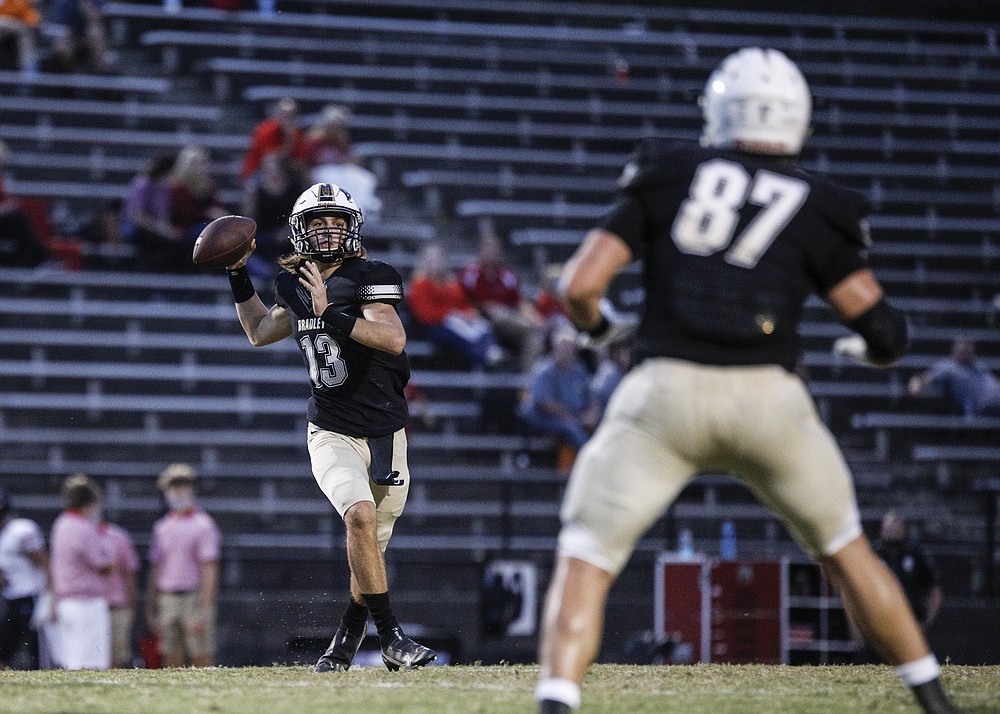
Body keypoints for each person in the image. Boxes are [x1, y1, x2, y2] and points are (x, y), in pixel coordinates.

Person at [535, 48, 961, 714]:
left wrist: (595, 329)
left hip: (665, 392)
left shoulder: (668, 171)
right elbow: (882, 327)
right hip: (771, 399)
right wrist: (873, 354)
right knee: (848, 549)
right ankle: (934, 699)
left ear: (718, 111)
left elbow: (581, 285)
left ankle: (557, 700)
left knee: (586, 556)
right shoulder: (820, 201)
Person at [223, 182, 437, 673]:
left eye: (335, 223)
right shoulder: (294, 284)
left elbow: (392, 338)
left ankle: (344, 641)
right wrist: (237, 274)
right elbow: (260, 331)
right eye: (316, 223)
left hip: (387, 433)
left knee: (370, 552)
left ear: (352, 229)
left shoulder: (372, 276)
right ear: (299, 230)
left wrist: (329, 315)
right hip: (331, 429)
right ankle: (394, 639)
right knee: (358, 518)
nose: (325, 231)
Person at [146, 463, 221, 668]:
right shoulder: (162, 526)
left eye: (182, 486)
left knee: (201, 653)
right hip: (168, 597)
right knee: (170, 655)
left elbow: (210, 568)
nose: (177, 492)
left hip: (193, 595)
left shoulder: (203, 524)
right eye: (173, 487)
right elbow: (156, 567)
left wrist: (204, 609)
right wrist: (152, 606)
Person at [460, 224, 545, 372]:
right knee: (500, 315)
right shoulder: (470, 273)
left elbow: (518, 301)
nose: (491, 253)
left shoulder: (507, 274)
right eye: (488, 250)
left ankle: (527, 383)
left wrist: (532, 317)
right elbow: (462, 298)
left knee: (534, 339)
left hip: (508, 319)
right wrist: (486, 308)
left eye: (494, 250)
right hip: (479, 318)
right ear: (480, 252)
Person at [49, 474, 113, 670]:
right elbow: (103, 564)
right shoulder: (84, 527)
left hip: (65, 601)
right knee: (91, 662)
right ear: (90, 503)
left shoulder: (60, 524)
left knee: (71, 657)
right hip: (86, 603)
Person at [407, 242, 505, 369]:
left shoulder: (452, 283)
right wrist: (450, 314)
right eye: (432, 260)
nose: (436, 263)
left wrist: (469, 313)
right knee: (457, 327)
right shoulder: (420, 284)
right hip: (433, 326)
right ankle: (482, 356)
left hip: (454, 319)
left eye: (438, 259)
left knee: (480, 323)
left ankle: (493, 348)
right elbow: (424, 314)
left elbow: (463, 304)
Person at [519, 324, 600, 454]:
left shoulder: (579, 369)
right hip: (544, 417)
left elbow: (591, 397)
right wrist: (576, 418)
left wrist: (591, 414)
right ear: (555, 347)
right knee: (572, 428)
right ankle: (591, 459)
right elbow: (545, 404)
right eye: (563, 347)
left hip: (574, 416)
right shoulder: (543, 369)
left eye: (570, 347)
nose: (566, 350)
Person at [0, 485, 48, 669]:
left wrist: (50, 594)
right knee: (5, 648)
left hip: (32, 597)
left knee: (36, 651)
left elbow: (44, 562)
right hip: (11, 600)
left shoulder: (20, 530)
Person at [875, 512, 943, 633]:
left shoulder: (916, 555)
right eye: (889, 528)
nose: (892, 532)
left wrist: (927, 621)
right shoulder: (872, 556)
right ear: (881, 530)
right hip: (878, 623)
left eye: (896, 528)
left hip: (911, 623)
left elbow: (935, 590)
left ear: (904, 530)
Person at [906, 335, 1000, 417]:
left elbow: (992, 381)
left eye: (968, 345)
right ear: (954, 349)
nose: (966, 348)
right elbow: (923, 379)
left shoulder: (978, 364)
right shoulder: (947, 367)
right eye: (962, 345)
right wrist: (915, 384)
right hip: (983, 407)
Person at [120, 152, 181, 272]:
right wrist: (160, 229)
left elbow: (164, 214)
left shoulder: (165, 187)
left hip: (154, 228)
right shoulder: (143, 183)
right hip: (136, 227)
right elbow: (136, 215)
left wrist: (167, 230)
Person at [169, 145, 229, 247]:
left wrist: (220, 214)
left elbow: (217, 205)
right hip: (188, 229)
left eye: (203, 163)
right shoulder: (178, 187)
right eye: (197, 163)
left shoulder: (208, 186)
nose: (201, 167)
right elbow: (184, 212)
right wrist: (208, 214)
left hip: (208, 226)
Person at [240, 97, 310, 183]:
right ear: (276, 115)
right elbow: (269, 160)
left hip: (287, 172)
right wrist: (289, 140)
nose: (286, 118)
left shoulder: (297, 134)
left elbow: (300, 160)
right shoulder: (265, 130)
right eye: (283, 115)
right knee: (273, 166)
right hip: (257, 171)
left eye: (290, 115)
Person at [100, 518, 139, 669]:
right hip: (89, 605)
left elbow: (129, 572)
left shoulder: (117, 536)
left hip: (116, 605)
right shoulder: (77, 534)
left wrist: (131, 604)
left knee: (118, 655)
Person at [0, 0, 40, 74]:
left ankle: (29, 75)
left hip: (16, 30)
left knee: (25, 34)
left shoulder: (19, 2)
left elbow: (32, 20)